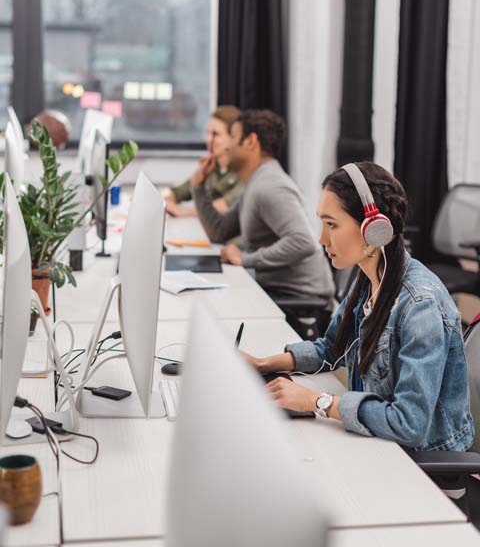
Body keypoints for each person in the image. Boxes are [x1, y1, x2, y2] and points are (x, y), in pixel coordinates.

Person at [244, 161, 474, 451]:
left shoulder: (420, 306)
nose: (321, 239)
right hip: (379, 445)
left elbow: (409, 423)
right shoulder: (368, 279)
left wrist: (318, 402)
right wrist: (263, 364)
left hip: (420, 463)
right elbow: (332, 349)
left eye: (331, 224)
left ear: (373, 230)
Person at [191, 109, 335, 322]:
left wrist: (245, 259)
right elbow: (219, 231)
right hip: (280, 292)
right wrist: (198, 187)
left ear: (250, 142)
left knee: (210, 309)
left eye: (232, 137)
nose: (227, 145)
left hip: (301, 303)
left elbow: (303, 242)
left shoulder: (269, 186)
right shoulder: (255, 183)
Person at [166, 105, 243, 217]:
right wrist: (163, 201)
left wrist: (182, 212)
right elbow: (180, 191)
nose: (208, 139)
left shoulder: (244, 169)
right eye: (207, 133)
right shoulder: (210, 166)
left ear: (233, 138)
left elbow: (227, 204)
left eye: (215, 134)